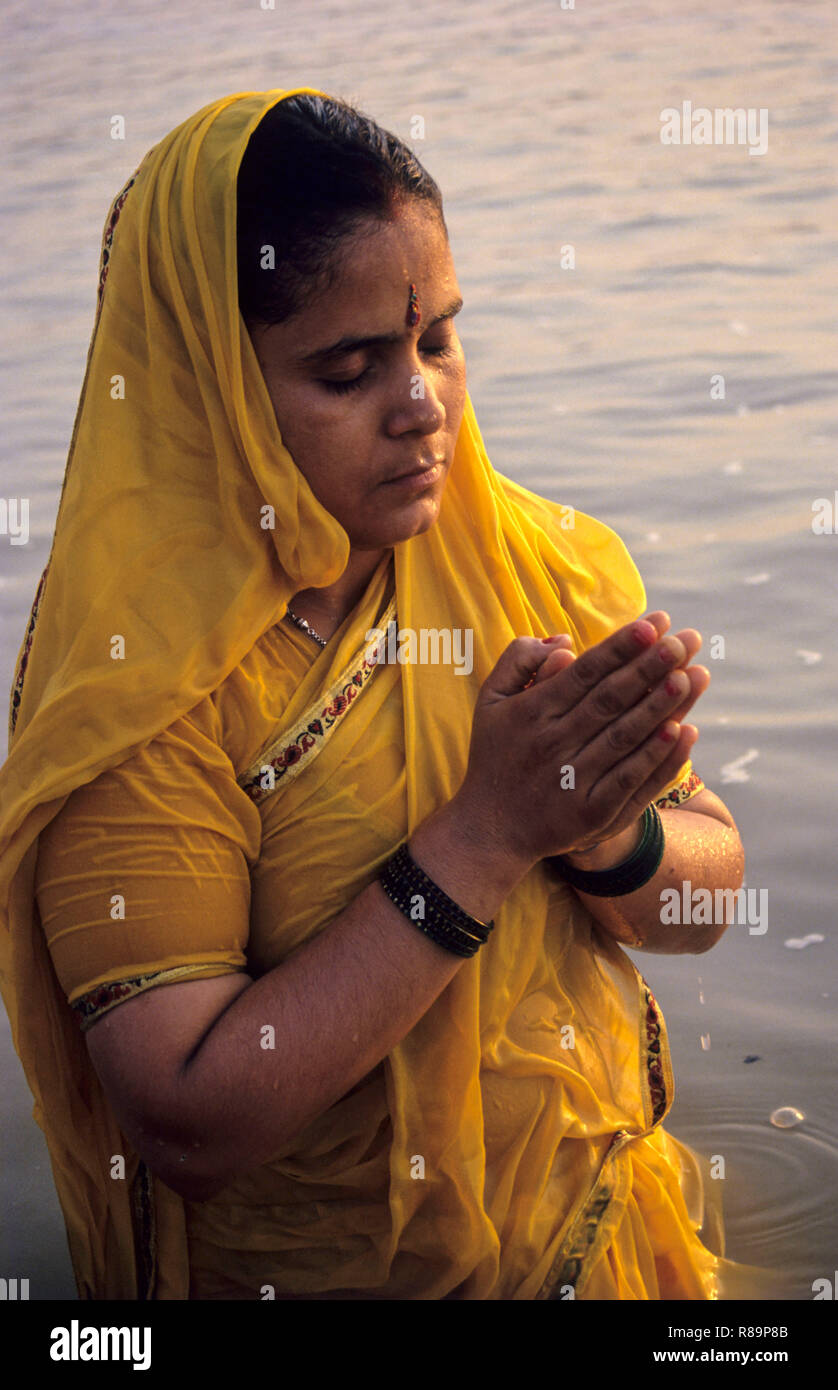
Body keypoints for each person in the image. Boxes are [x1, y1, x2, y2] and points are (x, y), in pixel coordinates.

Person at [0, 86, 748, 1300]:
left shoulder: (539, 566)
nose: (422, 405)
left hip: (599, 1252)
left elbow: (707, 902)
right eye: (349, 369)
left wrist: (605, 831)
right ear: (212, 388)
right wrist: (487, 837)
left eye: (439, 338)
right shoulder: (139, 703)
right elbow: (190, 1122)